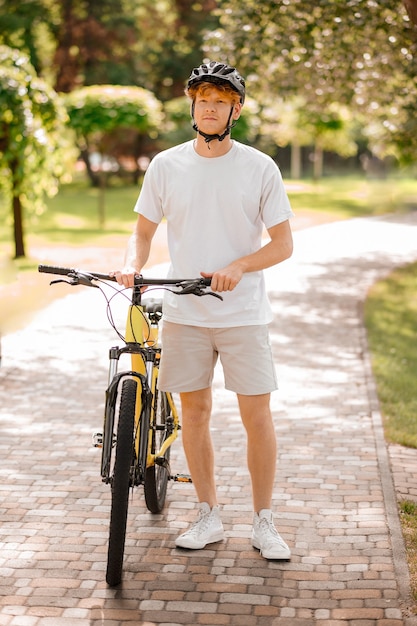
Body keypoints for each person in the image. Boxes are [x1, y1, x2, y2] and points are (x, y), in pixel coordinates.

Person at [113, 61, 294, 560]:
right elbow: (143, 232)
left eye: (219, 101)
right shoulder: (166, 165)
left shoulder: (260, 166)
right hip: (185, 313)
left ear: (235, 109)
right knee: (193, 413)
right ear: (192, 107)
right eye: (202, 101)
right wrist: (132, 264)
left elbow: (282, 245)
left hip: (243, 315)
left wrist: (240, 265)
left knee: (256, 416)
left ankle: (263, 521)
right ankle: (208, 513)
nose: (209, 109)